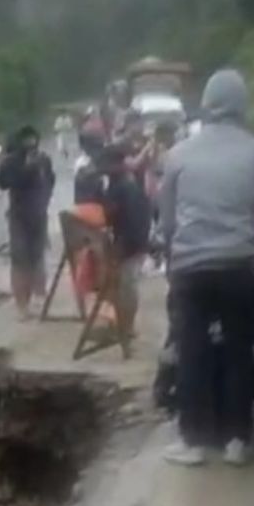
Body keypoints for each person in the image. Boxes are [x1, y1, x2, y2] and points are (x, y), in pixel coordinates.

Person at [159, 69, 254, 467]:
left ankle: (193, 441)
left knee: (192, 351)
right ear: (242, 105)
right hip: (237, 267)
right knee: (239, 350)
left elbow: (168, 222)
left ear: (206, 104)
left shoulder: (177, 155)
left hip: (190, 268)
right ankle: (237, 441)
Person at [0, 125, 56, 319]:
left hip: (39, 215)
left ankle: (39, 298)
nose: (30, 143)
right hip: (19, 216)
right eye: (26, 140)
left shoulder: (44, 159)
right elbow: (4, 183)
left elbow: (50, 181)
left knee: (38, 257)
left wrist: (45, 202)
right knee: (20, 260)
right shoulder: (11, 161)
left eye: (33, 139)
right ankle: (22, 306)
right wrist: (26, 169)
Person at [103, 143, 152, 352]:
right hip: (131, 240)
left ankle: (126, 328)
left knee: (126, 287)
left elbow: (132, 218)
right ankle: (124, 326)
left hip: (129, 242)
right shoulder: (121, 182)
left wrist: (123, 246)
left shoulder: (124, 185)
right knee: (125, 286)